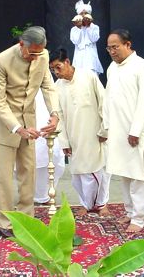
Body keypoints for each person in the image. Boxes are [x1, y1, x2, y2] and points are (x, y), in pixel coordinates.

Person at [0, 26, 60, 238]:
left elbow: (48, 86)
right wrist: (17, 128)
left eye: (39, 53)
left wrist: (55, 113)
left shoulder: (43, 55)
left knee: (27, 173)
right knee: (4, 177)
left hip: (29, 123)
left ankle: (26, 218)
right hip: (5, 126)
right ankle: (5, 222)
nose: (35, 57)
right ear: (21, 44)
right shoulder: (2, 60)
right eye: (32, 53)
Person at [104, 29, 144, 233]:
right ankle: (129, 212)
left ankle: (139, 218)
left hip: (137, 132)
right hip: (117, 131)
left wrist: (135, 130)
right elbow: (109, 98)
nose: (112, 51)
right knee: (124, 174)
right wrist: (107, 126)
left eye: (115, 47)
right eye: (109, 48)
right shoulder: (112, 68)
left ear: (128, 44)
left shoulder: (142, 66)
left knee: (138, 176)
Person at [50, 47, 110, 216]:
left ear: (67, 62)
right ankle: (85, 203)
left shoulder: (88, 76)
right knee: (77, 175)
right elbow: (58, 115)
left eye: (58, 67)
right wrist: (63, 142)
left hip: (95, 134)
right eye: (53, 69)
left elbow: (103, 103)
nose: (56, 72)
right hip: (73, 136)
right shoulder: (57, 87)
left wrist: (104, 129)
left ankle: (102, 204)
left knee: (98, 171)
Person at [33, 89, 65, 205]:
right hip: (27, 113)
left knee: (55, 159)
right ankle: (36, 195)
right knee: (33, 160)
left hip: (49, 114)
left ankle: (47, 194)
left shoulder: (46, 76)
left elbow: (50, 91)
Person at [70, 0, 103, 75]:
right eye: (82, 13)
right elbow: (75, 41)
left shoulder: (95, 27)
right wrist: (79, 28)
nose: (84, 15)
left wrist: (89, 26)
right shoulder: (74, 29)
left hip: (91, 61)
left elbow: (94, 39)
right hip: (79, 60)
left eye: (86, 13)